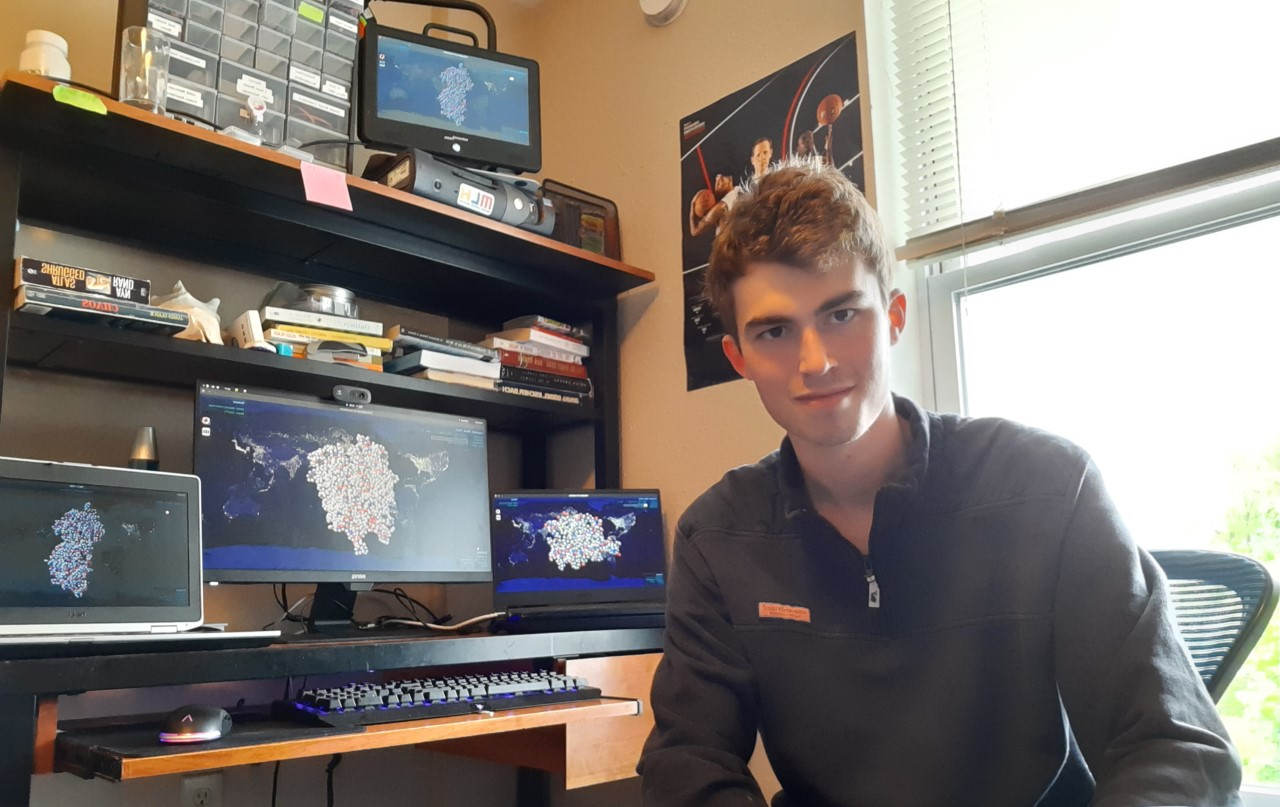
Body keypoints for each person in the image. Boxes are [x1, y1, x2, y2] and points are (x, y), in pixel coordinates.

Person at [639, 160, 1242, 807]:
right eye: (775, 331)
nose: (815, 361)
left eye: (842, 314)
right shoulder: (717, 538)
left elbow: (1173, 744)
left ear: (894, 315)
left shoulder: (1051, 487)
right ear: (739, 357)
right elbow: (686, 763)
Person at [690, 138, 775, 238]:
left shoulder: (733, 196)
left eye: (721, 179)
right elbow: (696, 230)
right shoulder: (732, 198)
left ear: (730, 180)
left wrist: (693, 204)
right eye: (717, 182)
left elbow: (694, 231)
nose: (718, 181)